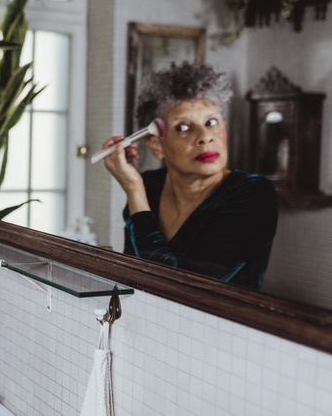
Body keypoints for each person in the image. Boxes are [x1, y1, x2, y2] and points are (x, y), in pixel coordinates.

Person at [102, 61, 277, 289]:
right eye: (183, 127)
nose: (205, 137)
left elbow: (179, 288)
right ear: (156, 145)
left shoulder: (254, 194)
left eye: (211, 122)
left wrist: (134, 192)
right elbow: (135, 276)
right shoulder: (150, 186)